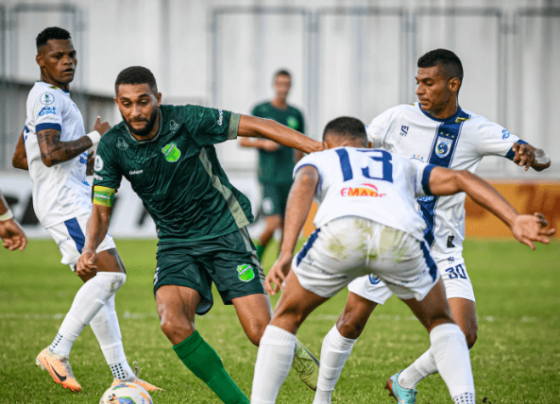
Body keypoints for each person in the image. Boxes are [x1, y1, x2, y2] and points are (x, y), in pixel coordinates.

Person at [251, 117, 554, 404]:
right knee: (440, 321)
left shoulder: (320, 158)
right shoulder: (399, 162)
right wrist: (513, 219)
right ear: (369, 146)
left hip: (342, 233)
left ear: (327, 146)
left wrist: (286, 251)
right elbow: (461, 178)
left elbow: (303, 184)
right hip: (398, 238)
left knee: (285, 318)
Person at [314, 49, 552, 403]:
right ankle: (322, 398)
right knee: (350, 322)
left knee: (465, 333)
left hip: (443, 248)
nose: (420, 90)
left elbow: (541, 157)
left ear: (452, 84)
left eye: (428, 82)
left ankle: (405, 381)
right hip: (391, 238)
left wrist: (532, 154)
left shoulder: (475, 129)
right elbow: (351, 150)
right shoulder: (397, 118)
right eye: (418, 82)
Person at [76, 66, 323, 404]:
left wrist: (314, 147)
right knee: (172, 322)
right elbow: (101, 210)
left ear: (158, 99)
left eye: (143, 102)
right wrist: (90, 247)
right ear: (118, 103)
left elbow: (257, 125)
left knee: (260, 333)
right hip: (176, 244)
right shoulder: (113, 146)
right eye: (126, 103)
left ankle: (294, 350)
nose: (135, 111)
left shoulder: (187, 120)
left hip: (224, 232)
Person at [11, 27, 159, 392]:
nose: (67, 62)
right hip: (66, 203)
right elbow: (49, 154)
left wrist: (85, 161)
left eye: (71, 55)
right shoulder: (47, 99)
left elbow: (22, 157)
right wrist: (96, 138)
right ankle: (57, 351)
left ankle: (124, 375)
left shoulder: (52, 97)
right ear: (40, 60)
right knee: (113, 275)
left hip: (67, 197)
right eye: (58, 56)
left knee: (99, 285)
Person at [239, 70, 305, 261]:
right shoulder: (261, 110)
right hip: (269, 177)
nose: (283, 88)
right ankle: (253, 260)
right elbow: (243, 141)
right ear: (274, 85)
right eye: (280, 84)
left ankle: (281, 270)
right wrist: (262, 143)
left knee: (288, 230)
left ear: (290, 87)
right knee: (272, 224)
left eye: (287, 84)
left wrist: (301, 173)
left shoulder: (296, 114)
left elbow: (299, 147)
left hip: (289, 178)